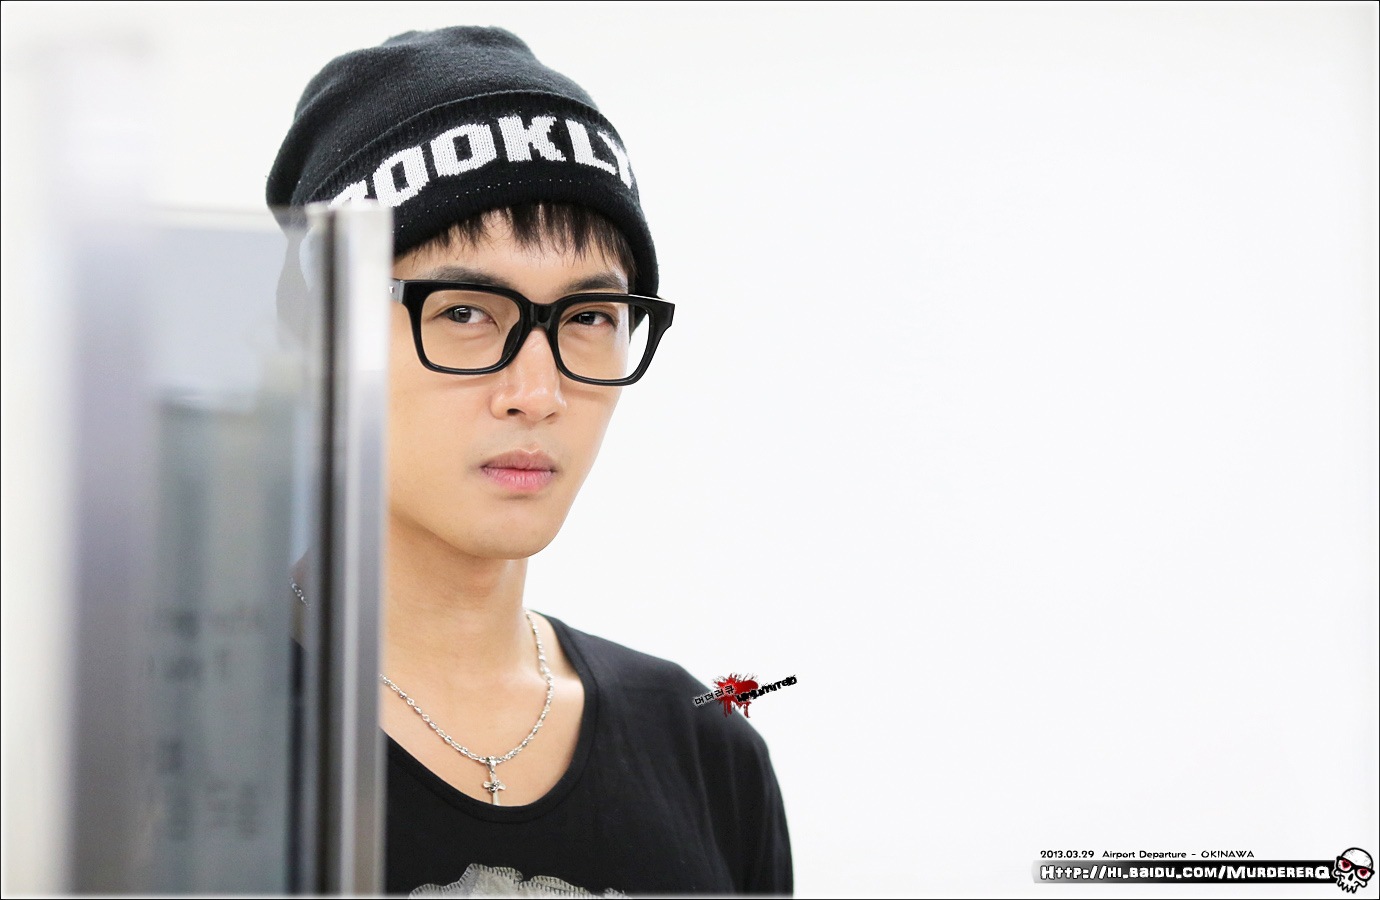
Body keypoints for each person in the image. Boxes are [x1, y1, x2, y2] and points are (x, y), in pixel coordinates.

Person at [267, 26, 792, 897]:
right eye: (465, 311)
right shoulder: (179, 739)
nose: (538, 392)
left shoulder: (704, 749)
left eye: (588, 318)